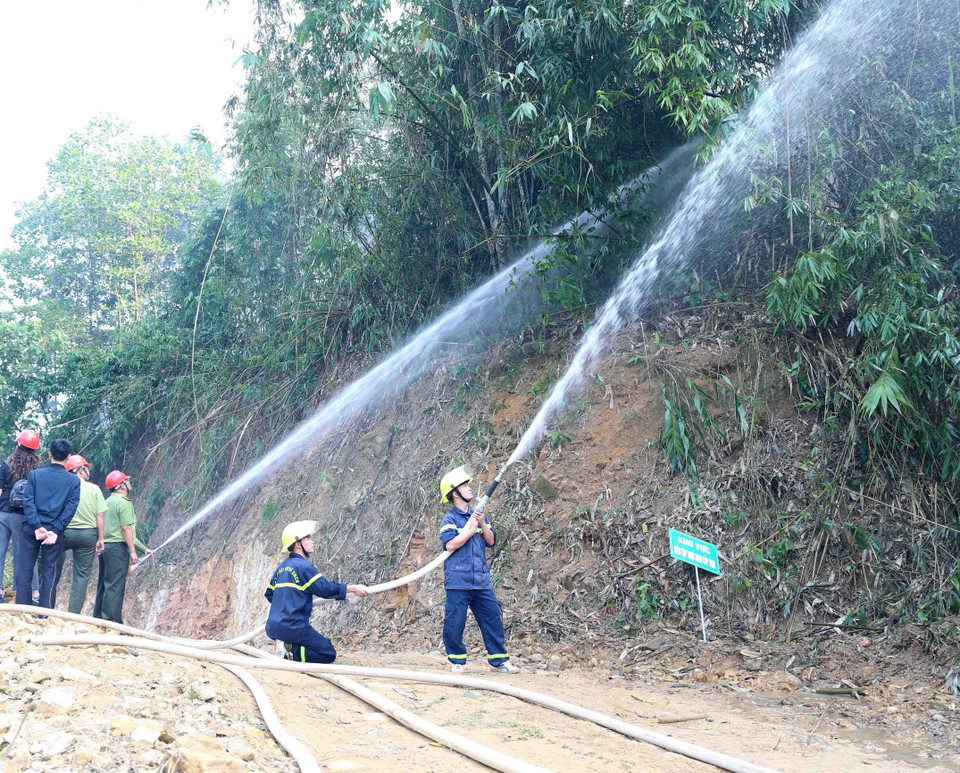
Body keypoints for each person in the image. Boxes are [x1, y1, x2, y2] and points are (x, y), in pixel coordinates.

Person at [438, 466, 519, 673]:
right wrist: (470, 530)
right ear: (455, 493)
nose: (469, 489)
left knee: (492, 617)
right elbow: (449, 545)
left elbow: (491, 542)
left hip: (481, 580)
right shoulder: (450, 520)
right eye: (464, 486)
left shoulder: (479, 516)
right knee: (455, 622)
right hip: (458, 580)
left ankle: (499, 661)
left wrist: (483, 523)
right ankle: (457, 661)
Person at [265, 520, 370, 663]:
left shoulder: (281, 567)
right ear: (297, 544)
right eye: (307, 538)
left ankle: (286, 645)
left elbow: (270, 594)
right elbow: (325, 589)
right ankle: (291, 653)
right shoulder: (303, 567)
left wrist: (289, 603)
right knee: (326, 652)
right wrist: (353, 588)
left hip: (273, 627)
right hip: (293, 627)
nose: (312, 541)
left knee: (315, 645)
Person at [17, 438, 81, 608]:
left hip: (31, 529)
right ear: (68, 457)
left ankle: (22, 611)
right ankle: (45, 613)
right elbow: (70, 508)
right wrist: (55, 530)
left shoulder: (35, 475)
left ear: (49, 454)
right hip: (54, 532)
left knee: (25, 570)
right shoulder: (74, 481)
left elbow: (28, 501)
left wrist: (37, 526)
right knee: (49, 573)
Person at [93, 470, 150, 623]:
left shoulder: (107, 502)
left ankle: (98, 618)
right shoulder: (124, 503)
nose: (129, 483)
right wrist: (132, 552)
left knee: (104, 583)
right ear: (122, 485)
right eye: (126, 480)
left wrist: (143, 549)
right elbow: (126, 529)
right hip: (118, 549)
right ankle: (112, 622)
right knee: (115, 585)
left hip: (105, 548)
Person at [55, 455, 106, 614]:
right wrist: (101, 538)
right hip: (87, 535)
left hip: (64, 533)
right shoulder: (94, 489)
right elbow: (100, 516)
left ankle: (44, 606)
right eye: (86, 467)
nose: (88, 470)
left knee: (49, 566)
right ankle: (73, 615)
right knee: (82, 576)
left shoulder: (62, 487)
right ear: (80, 470)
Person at [0, 431, 42, 603]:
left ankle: (0, 592)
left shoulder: (5, 465)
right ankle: (34, 595)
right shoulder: (38, 469)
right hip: (23, 516)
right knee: (25, 554)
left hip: (2, 514)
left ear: (18, 445)